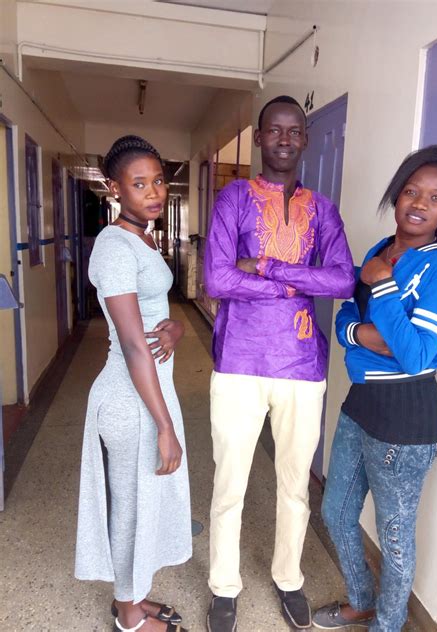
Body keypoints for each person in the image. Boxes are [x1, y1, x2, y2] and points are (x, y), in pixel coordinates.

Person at [204, 95, 355, 631]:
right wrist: (297, 286)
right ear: (259, 136)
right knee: (230, 482)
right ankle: (224, 586)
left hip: (301, 366)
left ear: (305, 139)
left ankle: (289, 577)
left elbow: (343, 279)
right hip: (239, 363)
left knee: (294, 485)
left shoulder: (324, 210)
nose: (284, 139)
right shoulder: (234, 198)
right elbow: (217, 279)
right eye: (274, 130)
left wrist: (268, 268)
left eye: (294, 131)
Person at [312, 145, 437, 631]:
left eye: (436, 198)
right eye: (411, 191)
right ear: (397, 194)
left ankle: (388, 624)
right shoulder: (379, 250)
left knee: (395, 537)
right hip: (360, 403)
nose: (419, 204)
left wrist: (381, 286)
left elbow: (417, 355)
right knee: (336, 512)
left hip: (406, 420)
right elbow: (347, 319)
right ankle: (363, 601)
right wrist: (364, 334)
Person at [75, 135, 191, 632]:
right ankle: (128, 614)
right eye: (139, 183)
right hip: (130, 400)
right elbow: (131, 345)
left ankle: (135, 596)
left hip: (149, 392)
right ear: (114, 188)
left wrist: (177, 327)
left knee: (144, 502)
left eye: (158, 180)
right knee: (129, 506)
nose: (154, 192)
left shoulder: (142, 238)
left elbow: (151, 315)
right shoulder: (114, 246)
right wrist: (164, 426)